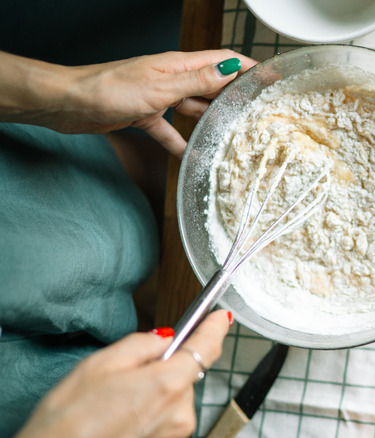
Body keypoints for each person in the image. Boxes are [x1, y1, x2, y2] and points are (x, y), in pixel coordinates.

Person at [0, 48, 257, 437]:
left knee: (117, 235)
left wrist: (71, 90)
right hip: (38, 407)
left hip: (28, 197)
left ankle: (141, 298)